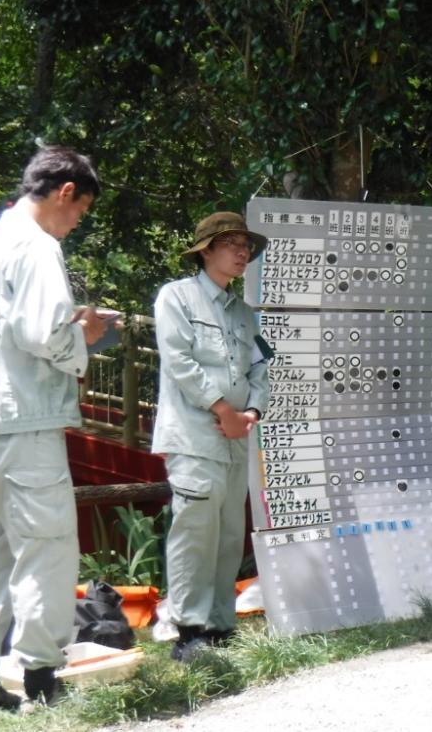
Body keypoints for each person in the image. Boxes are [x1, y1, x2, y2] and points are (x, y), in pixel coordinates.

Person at [0, 146, 106, 711]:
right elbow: (44, 334)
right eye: (80, 210)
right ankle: (42, 676)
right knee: (47, 545)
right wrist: (83, 336)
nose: (76, 221)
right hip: (25, 417)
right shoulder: (37, 247)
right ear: (65, 193)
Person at [152, 211, 269, 661]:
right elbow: (179, 361)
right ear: (206, 250)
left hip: (237, 436)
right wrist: (224, 410)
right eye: (232, 243)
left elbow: (262, 368)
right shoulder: (176, 298)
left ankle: (220, 626)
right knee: (195, 531)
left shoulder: (245, 313)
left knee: (226, 532)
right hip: (193, 434)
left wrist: (252, 411)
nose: (243, 252)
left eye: (247, 246)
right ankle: (187, 629)